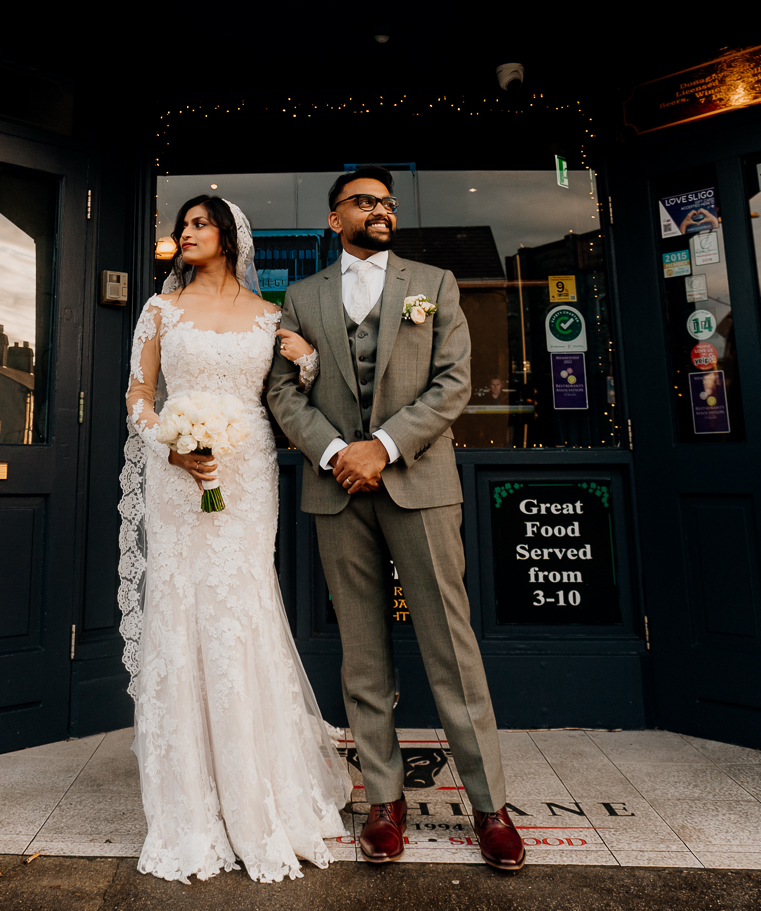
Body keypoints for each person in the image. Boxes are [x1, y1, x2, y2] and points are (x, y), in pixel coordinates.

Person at [265, 166, 526, 872]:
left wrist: (380, 448)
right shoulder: (300, 296)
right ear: (334, 219)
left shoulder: (433, 283)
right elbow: (283, 392)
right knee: (363, 652)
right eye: (365, 201)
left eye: (387, 202)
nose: (382, 210)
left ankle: (489, 805)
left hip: (420, 485)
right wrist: (332, 453)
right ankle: (383, 800)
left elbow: (453, 383)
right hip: (336, 490)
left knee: (451, 648)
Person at [118, 196, 351, 883]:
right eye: (181, 227)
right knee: (185, 611)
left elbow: (295, 392)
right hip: (178, 477)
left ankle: (262, 789)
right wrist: (169, 447)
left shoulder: (270, 314)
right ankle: (189, 799)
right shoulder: (160, 310)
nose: (185, 235)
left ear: (228, 235)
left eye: (198, 224)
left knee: (241, 610)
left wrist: (307, 361)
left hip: (246, 477)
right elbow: (138, 395)